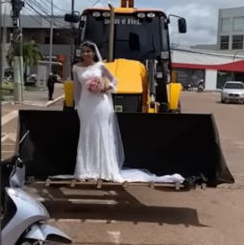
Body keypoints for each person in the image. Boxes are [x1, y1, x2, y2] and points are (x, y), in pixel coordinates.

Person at [72, 40, 183, 183]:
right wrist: (77, 104)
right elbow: (76, 88)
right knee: (86, 133)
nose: (86, 54)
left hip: (100, 104)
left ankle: (103, 169)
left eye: (88, 51)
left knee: (102, 132)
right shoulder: (76, 68)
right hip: (86, 105)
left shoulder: (100, 66)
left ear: (94, 53)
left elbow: (114, 80)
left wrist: (106, 88)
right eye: (83, 51)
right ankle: (86, 169)